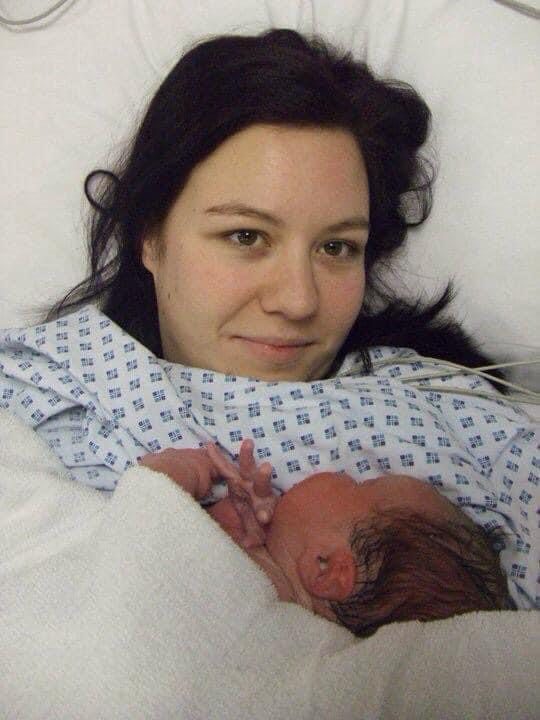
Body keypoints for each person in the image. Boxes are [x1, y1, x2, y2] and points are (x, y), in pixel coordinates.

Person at [0, 28, 537, 610]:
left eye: (336, 247)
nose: (299, 301)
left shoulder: (453, 414)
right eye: (246, 236)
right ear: (151, 237)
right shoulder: (46, 392)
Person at [139, 438, 514, 637]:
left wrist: (182, 471)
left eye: (360, 485)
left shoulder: (260, 611)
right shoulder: (282, 595)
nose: (345, 473)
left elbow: (145, 526)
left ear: (327, 568)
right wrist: (236, 523)